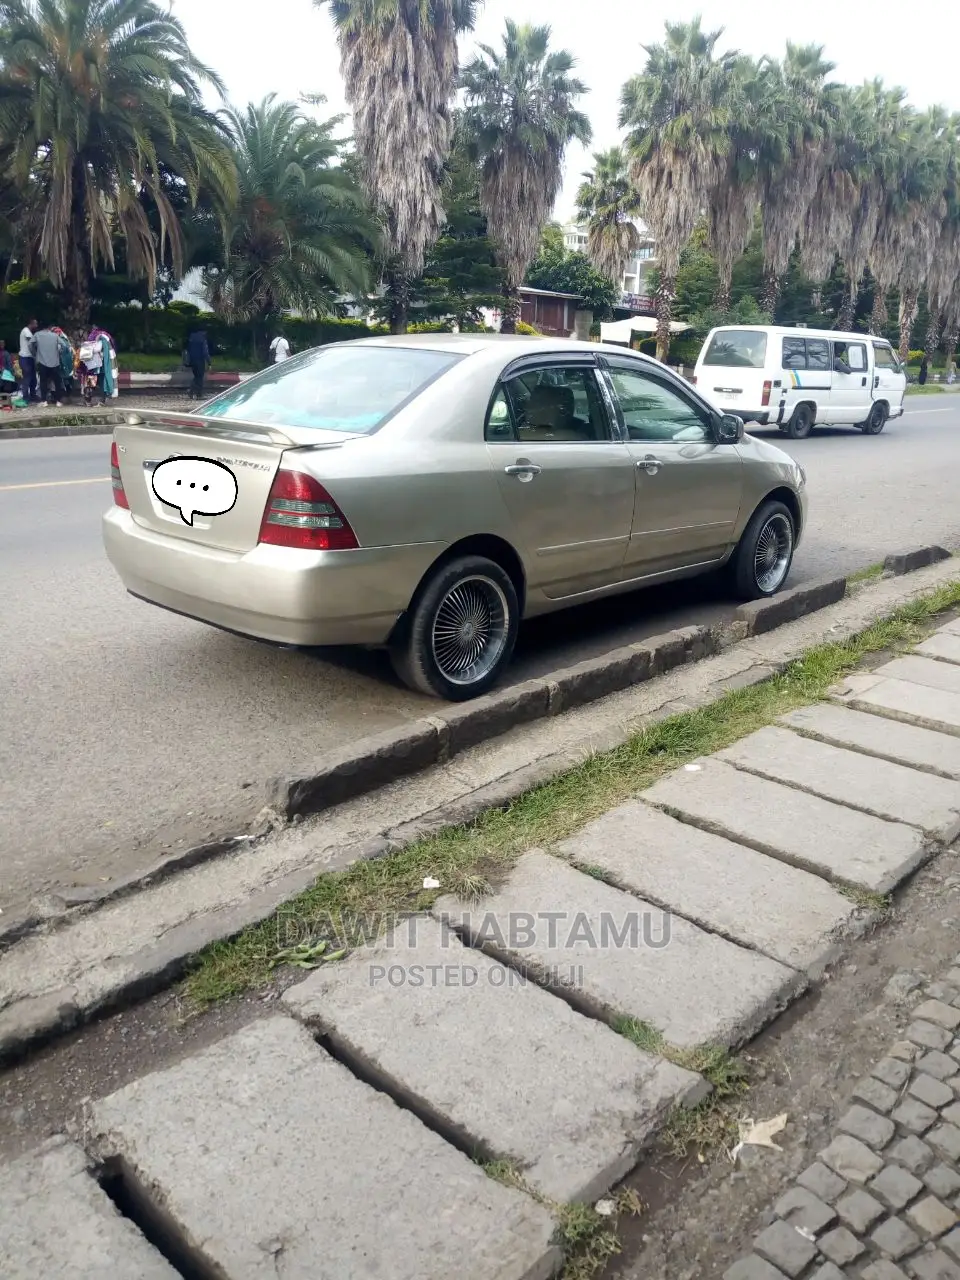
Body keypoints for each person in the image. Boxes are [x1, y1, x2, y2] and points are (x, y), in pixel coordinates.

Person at [34, 321, 66, 406]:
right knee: (57, 382)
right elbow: (64, 345)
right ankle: (58, 401)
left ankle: (44, 401)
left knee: (43, 382)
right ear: (49, 328)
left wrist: (35, 353)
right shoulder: (54, 335)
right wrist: (59, 353)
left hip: (42, 362)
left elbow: (30, 344)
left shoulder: (37, 335)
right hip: (55, 363)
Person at [186, 326, 210, 400]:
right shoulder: (203, 339)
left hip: (192, 360)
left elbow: (188, 349)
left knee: (196, 376)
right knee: (200, 377)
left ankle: (191, 391)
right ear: (204, 332)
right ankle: (199, 395)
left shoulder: (191, 338)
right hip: (200, 361)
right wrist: (209, 362)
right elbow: (205, 352)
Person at [18, 318, 38, 402]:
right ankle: (25, 397)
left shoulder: (28, 332)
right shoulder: (26, 331)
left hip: (29, 358)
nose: (36, 326)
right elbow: (32, 342)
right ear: (31, 324)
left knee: (33, 378)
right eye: (35, 324)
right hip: (25, 357)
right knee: (27, 377)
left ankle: (33, 396)